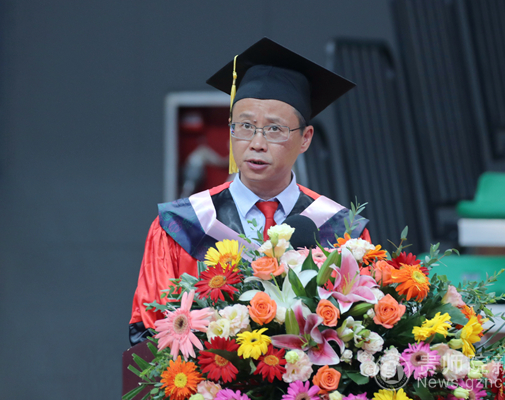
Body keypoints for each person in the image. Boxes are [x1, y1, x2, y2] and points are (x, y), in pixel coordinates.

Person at [129, 38, 371, 345]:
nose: (256, 143)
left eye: (274, 129)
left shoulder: (342, 232)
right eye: (244, 126)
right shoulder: (181, 226)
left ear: (306, 138)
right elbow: (148, 333)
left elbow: (362, 332)